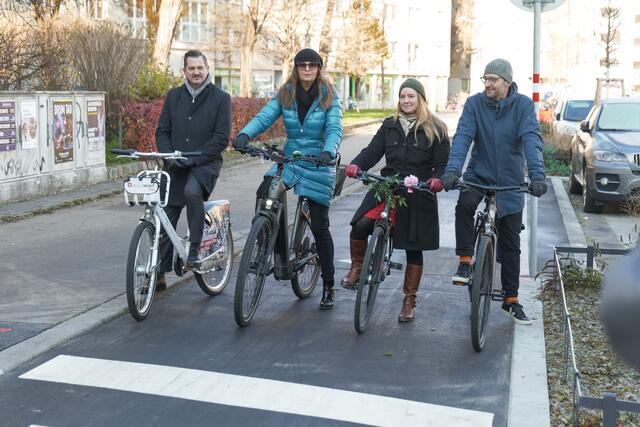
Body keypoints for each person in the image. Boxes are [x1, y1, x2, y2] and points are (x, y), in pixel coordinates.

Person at [232, 48, 343, 310]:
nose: (306, 68)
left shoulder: (329, 96)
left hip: (318, 161)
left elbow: (335, 127)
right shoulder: (286, 93)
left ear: (319, 67)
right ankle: (264, 244)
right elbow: (265, 117)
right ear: (296, 67)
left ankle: (328, 284)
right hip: (291, 159)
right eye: (302, 64)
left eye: (312, 64)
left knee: (320, 226)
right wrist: (245, 135)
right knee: (265, 192)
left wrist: (329, 151)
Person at [441, 58, 547, 325]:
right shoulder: (475, 104)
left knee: (511, 244)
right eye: (485, 79)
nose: (487, 84)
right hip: (479, 174)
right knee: (464, 205)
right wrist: (453, 170)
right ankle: (466, 260)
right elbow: (463, 136)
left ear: (506, 82)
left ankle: (511, 300)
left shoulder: (522, 106)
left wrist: (537, 175)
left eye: (493, 79)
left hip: (511, 181)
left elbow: (531, 139)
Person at [342, 78, 450, 322]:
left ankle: (409, 300)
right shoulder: (389, 125)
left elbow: (442, 165)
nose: (406, 101)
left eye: (411, 96)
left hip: (418, 192)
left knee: (414, 248)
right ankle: (357, 268)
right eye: (402, 97)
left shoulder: (436, 129)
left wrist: (437, 179)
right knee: (360, 224)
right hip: (389, 187)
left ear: (421, 99)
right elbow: (372, 152)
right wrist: (357, 164)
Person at [155, 50, 232, 291]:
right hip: (175, 164)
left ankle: (196, 249)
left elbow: (221, 138)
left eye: (200, 68)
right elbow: (162, 131)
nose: (196, 72)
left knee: (191, 193)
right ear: (184, 71)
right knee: (166, 213)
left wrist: (193, 160)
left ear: (207, 69)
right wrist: (170, 155)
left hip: (204, 164)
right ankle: (159, 271)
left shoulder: (221, 98)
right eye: (191, 68)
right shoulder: (174, 96)